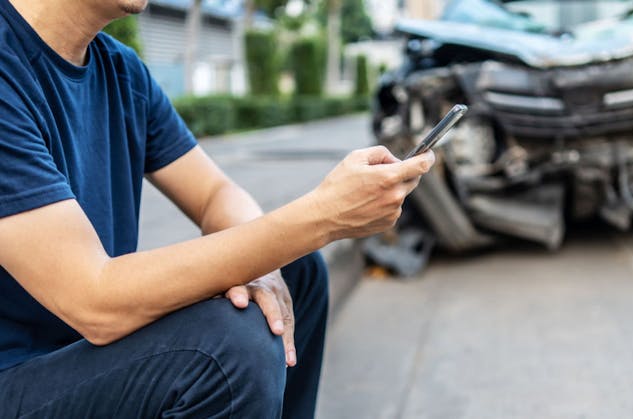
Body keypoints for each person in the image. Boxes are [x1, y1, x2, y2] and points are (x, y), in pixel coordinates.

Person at [0, 0, 435, 417]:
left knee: (293, 271)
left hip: (82, 356)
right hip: (17, 379)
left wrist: (262, 268)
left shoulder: (120, 69)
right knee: (228, 348)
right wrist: (322, 217)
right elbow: (94, 300)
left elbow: (214, 195)